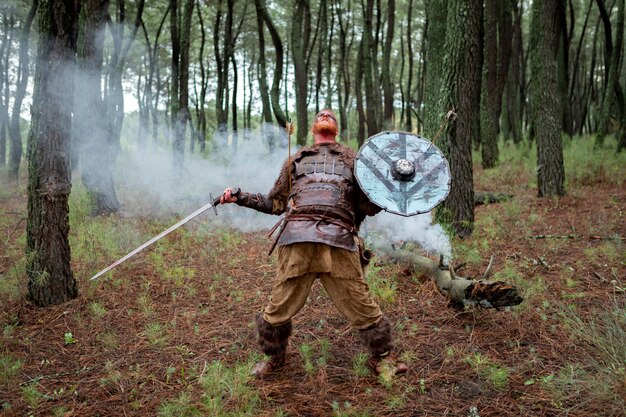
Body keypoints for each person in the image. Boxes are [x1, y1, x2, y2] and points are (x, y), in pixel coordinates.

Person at [220, 109, 407, 378]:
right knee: (278, 305)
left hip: (339, 241)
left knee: (360, 303)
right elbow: (275, 203)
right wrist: (240, 196)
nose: (325, 113)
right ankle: (274, 358)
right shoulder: (295, 160)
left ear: (337, 129)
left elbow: (368, 206)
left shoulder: (355, 159)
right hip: (297, 240)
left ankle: (383, 358)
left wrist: (391, 189)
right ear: (312, 129)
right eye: (321, 114)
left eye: (331, 114)